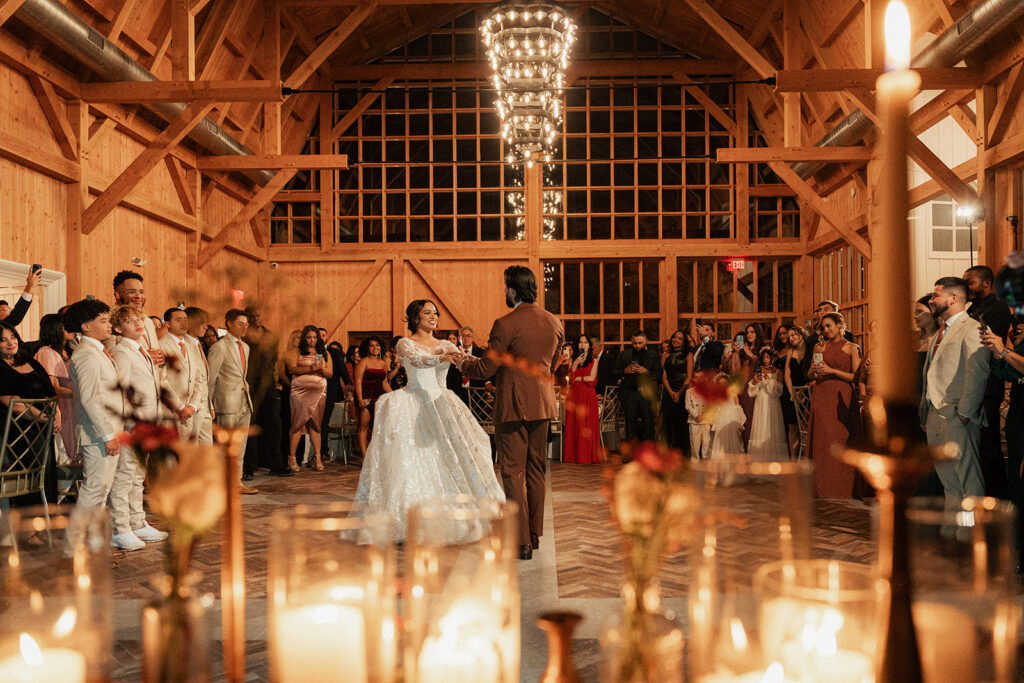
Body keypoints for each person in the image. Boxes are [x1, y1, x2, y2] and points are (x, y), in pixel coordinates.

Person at [352, 300, 505, 541]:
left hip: (442, 403)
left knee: (460, 452)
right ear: (415, 317)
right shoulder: (405, 343)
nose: (433, 317)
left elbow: (465, 365)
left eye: (435, 313)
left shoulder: (446, 343)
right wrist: (441, 356)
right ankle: (407, 518)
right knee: (411, 461)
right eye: (427, 313)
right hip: (414, 402)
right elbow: (416, 361)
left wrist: (482, 363)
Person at [458, 266, 564, 561]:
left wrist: (462, 362)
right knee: (536, 469)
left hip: (513, 404)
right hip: (543, 401)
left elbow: (485, 369)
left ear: (514, 289)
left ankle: (521, 542)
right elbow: (555, 358)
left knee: (512, 471)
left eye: (506, 287)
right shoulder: (554, 321)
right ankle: (534, 534)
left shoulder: (505, 323)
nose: (504, 292)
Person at [920, 277, 988, 504]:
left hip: (959, 415)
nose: (931, 300)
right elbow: (930, 374)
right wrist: (925, 410)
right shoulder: (937, 334)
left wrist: (964, 414)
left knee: (969, 480)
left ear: (954, 298)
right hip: (934, 415)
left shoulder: (972, 329)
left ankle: (973, 535)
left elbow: (977, 373)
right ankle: (954, 533)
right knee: (948, 482)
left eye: (935, 295)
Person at [108, 305, 168, 550]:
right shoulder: (121, 352)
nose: (137, 323)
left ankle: (137, 521)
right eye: (130, 321)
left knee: (136, 477)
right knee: (124, 476)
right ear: (117, 328)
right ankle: (119, 527)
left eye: (138, 319)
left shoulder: (143, 350)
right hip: (134, 422)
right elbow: (119, 391)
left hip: (149, 419)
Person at [64, 298, 123, 548]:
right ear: (85, 326)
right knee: (93, 490)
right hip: (98, 433)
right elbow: (89, 398)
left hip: (108, 430)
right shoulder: (86, 354)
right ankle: (72, 547)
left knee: (101, 490)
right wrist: (107, 434)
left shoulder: (96, 350)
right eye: (103, 321)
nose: (109, 325)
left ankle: (92, 546)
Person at [964, 265, 1012, 498]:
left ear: (986, 283)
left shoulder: (998, 309)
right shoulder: (971, 308)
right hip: (970, 382)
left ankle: (996, 496)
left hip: (988, 384)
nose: (966, 287)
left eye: (970, 282)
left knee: (988, 445)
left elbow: (983, 342)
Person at [0, 320, 59, 506]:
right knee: (29, 475)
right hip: (19, 430)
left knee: (47, 471)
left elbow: (51, 394)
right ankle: (30, 521)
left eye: (13, 337)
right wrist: (45, 419)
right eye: (2, 340)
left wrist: (57, 415)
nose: (11, 342)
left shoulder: (31, 361)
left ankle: (48, 516)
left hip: (44, 428)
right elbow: (15, 404)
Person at [979, 326, 1024, 566]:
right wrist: (998, 351)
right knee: (1016, 485)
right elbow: (1011, 373)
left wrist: (1004, 350)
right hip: (1018, 419)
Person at [807, 312, 862, 498]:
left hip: (842, 397)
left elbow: (856, 376)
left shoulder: (852, 348)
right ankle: (822, 487)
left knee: (839, 439)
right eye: (823, 327)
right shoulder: (818, 347)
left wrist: (832, 371)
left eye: (829, 325)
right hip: (822, 396)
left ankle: (842, 487)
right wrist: (814, 372)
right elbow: (809, 375)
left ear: (840, 324)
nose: (826, 330)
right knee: (823, 441)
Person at [207, 309, 256, 494]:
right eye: (240, 324)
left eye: (246, 324)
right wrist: (209, 404)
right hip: (226, 401)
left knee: (240, 444)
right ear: (228, 323)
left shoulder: (246, 347)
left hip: (244, 399)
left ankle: (237, 482)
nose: (244, 327)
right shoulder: (219, 347)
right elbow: (211, 378)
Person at [242, 306, 287, 479]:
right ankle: (249, 467)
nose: (255, 319)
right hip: (250, 383)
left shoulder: (271, 336)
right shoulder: (244, 337)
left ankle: (276, 464)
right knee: (251, 424)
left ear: (262, 316)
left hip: (268, 383)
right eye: (251, 317)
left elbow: (275, 359)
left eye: (257, 316)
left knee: (274, 423)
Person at [286, 325, 332, 471]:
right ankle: (292, 458)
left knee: (316, 425)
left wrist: (321, 369)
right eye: (309, 337)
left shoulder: (324, 353)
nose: (312, 340)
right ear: (304, 338)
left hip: (318, 391)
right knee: (297, 424)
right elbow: (292, 369)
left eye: (314, 337)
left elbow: (330, 374)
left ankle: (317, 457)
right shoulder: (296, 351)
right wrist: (309, 369)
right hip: (300, 391)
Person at [33, 313, 75, 463]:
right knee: (62, 455)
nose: (72, 328)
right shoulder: (47, 352)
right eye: (66, 326)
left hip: (71, 406)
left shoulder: (70, 349)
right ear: (56, 329)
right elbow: (52, 388)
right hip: (61, 407)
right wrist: (81, 394)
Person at [159, 308, 202, 437]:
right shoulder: (161, 345)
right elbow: (161, 380)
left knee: (188, 455)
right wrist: (180, 407)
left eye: (186, 320)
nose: (184, 324)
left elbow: (199, 379)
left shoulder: (191, 345)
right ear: (167, 324)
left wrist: (193, 405)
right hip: (170, 412)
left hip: (190, 412)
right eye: (178, 320)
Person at [614, 330, 663, 444]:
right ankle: (630, 454)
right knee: (630, 426)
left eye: (640, 343)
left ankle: (649, 453)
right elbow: (614, 373)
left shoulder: (654, 355)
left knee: (648, 424)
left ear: (645, 341)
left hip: (647, 395)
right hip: (630, 394)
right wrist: (624, 371)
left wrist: (646, 372)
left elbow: (659, 375)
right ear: (631, 341)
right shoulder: (624, 354)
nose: (637, 346)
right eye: (635, 343)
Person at [564, 335, 600, 464]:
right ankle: (573, 456)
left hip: (588, 395)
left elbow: (592, 379)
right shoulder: (573, 360)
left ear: (589, 346)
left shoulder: (594, 361)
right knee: (575, 424)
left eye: (585, 342)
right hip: (575, 395)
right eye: (580, 342)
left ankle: (586, 456)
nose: (582, 345)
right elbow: (570, 379)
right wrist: (575, 364)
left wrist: (580, 378)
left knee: (586, 424)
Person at [747, 346, 787, 461]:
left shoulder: (778, 372)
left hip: (772, 403)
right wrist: (755, 382)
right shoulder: (759, 370)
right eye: (763, 357)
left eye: (768, 357)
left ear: (773, 358)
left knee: (772, 426)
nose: (765, 359)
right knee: (761, 427)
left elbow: (778, 391)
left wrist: (768, 380)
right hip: (761, 401)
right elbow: (752, 392)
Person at [354, 335, 388, 458]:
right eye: (372, 345)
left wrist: (395, 395)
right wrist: (359, 399)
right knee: (364, 426)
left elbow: (385, 384)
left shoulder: (383, 363)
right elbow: (357, 381)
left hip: (379, 398)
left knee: (379, 427)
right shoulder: (363, 362)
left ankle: (376, 455)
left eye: (377, 345)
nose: (375, 348)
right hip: (366, 398)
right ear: (367, 348)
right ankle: (364, 455)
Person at [184, 307, 213, 444]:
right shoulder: (184, 344)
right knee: (192, 448)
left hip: (205, 405)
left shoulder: (197, 344)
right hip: (192, 404)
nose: (206, 327)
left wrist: (210, 405)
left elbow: (204, 379)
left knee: (207, 448)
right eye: (202, 323)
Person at [660, 330, 693, 450]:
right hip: (668, 391)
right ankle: (668, 452)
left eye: (680, 338)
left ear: (684, 342)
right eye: (674, 337)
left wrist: (679, 393)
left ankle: (681, 453)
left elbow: (689, 377)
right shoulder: (665, 355)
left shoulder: (689, 355)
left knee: (681, 423)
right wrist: (670, 392)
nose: (676, 340)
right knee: (668, 423)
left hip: (683, 391)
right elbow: (663, 375)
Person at [782, 327, 811, 456]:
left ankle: (805, 456)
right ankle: (793, 459)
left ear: (802, 334)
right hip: (792, 392)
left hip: (808, 391)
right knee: (792, 426)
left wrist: (803, 392)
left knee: (806, 426)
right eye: (790, 336)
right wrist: (791, 392)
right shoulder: (790, 352)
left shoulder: (810, 350)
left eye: (794, 335)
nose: (791, 338)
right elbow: (787, 373)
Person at [445, 326, 486, 405]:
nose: (466, 338)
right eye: (463, 336)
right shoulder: (454, 352)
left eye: (468, 336)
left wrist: (488, 382)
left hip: (476, 393)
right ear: (459, 338)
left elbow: (485, 369)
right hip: (458, 392)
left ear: (473, 338)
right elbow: (449, 375)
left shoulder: (481, 353)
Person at [685, 384, 711, 460]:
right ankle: (695, 461)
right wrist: (696, 415)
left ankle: (705, 462)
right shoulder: (689, 392)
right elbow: (688, 406)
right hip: (694, 421)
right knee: (695, 444)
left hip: (706, 420)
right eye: (696, 377)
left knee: (706, 443)